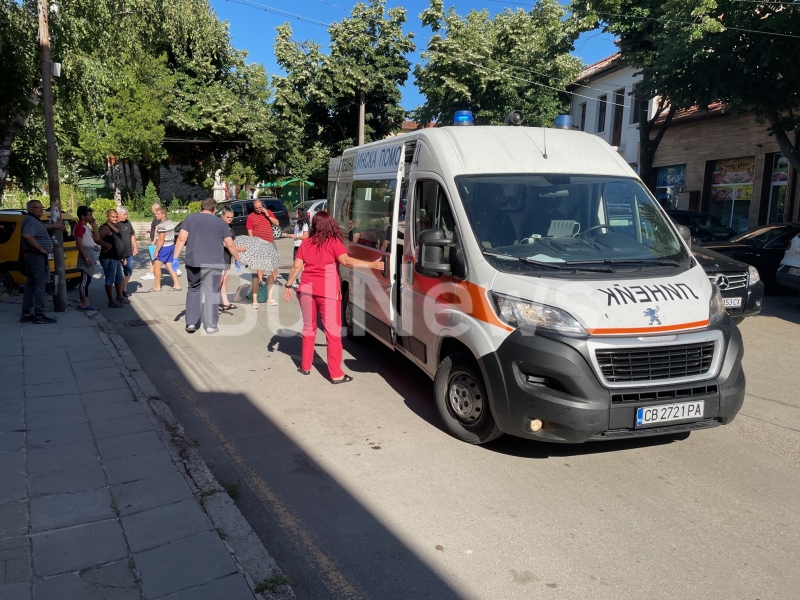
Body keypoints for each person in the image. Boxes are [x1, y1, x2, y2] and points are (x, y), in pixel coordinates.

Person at [284, 211, 383, 383]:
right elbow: (346, 261)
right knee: (332, 333)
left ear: (314, 225)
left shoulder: (306, 243)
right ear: (331, 224)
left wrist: (288, 286)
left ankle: (305, 366)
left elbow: (296, 266)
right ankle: (336, 374)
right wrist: (372, 264)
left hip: (306, 290)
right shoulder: (334, 242)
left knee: (308, 328)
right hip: (328, 291)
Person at [172, 197, 242, 334]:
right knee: (212, 292)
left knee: (193, 290)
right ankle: (210, 326)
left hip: (194, 261)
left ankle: (191, 323)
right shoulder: (221, 223)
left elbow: (181, 238)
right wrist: (237, 259)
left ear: (201, 207)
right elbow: (230, 244)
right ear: (214, 209)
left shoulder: (190, 218)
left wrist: (175, 257)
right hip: (214, 263)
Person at [19, 200, 64, 324]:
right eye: (37, 207)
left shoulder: (33, 220)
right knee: (40, 285)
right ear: (30, 209)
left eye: (42, 207)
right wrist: (40, 248)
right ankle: (39, 315)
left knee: (31, 284)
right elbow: (27, 235)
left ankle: (26, 313)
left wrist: (53, 226)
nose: (41, 210)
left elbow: (40, 228)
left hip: (32, 255)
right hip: (36, 255)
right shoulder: (31, 220)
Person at [246, 199, 281, 307]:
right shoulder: (250, 217)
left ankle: (274, 279)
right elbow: (250, 230)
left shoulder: (268, 212)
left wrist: (267, 215)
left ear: (262, 206)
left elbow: (277, 223)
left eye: (260, 207)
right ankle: (261, 281)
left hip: (270, 242)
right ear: (254, 207)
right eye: (256, 208)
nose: (258, 209)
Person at [98, 209, 128, 308]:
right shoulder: (106, 227)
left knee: (119, 278)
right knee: (110, 279)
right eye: (113, 217)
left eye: (116, 217)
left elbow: (118, 241)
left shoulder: (115, 227)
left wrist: (122, 256)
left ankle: (120, 297)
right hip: (109, 258)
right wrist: (107, 246)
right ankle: (111, 301)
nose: (115, 218)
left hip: (117, 258)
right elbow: (97, 238)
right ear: (108, 217)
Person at [218, 206, 247, 311]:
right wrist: (237, 249)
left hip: (227, 255)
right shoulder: (220, 225)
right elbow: (224, 243)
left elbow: (231, 241)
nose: (230, 219)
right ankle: (213, 305)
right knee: (219, 280)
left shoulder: (229, 226)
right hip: (220, 255)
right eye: (228, 217)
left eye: (232, 217)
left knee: (225, 279)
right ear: (222, 215)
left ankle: (225, 302)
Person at [73, 206, 99, 311]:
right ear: (83, 216)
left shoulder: (86, 227)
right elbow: (79, 243)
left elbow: (97, 238)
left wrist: (94, 225)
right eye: (89, 215)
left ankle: (83, 302)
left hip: (89, 253)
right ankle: (84, 303)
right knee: (84, 281)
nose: (91, 217)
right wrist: (86, 258)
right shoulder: (79, 227)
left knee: (87, 280)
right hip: (86, 254)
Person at [148, 207, 181, 292]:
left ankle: (157, 286)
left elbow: (161, 240)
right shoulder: (170, 222)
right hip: (171, 246)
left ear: (163, 215)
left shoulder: (162, 225)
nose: (156, 215)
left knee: (156, 265)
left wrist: (156, 251)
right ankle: (177, 285)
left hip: (164, 247)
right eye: (156, 213)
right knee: (169, 265)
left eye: (158, 214)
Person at [115, 207, 138, 296]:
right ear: (118, 214)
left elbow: (132, 235)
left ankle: (124, 288)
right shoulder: (115, 224)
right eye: (124, 214)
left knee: (128, 272)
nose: (126, 216)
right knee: (119, 274)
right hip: (118, 254)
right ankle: (119, 292)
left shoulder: (128, 222)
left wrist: (135, 247)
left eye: (126, 214)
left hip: (128, 252)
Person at [287, 208, 309, 289]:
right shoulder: (298, 223)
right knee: (297, 264)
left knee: (299, 265)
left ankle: (298, 281)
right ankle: (298, 280)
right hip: (296, 246)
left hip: (302, 246)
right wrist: (291, 235)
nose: (295, 214)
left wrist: (295, 236)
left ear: (300, 214)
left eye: (297, 213)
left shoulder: (305, 224)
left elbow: (306, 236)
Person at [140, 203, 161, 280]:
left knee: (153, 257)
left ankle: (151, 273)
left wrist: (155, 240)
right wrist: (151, 231)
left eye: (152, 208)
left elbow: (158, 229)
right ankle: (154, 272)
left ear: (155, 209)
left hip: (156, 241)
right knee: (155, 257)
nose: (151, 210)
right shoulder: (158, 217)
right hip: (156, 240)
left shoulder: (157, 218)